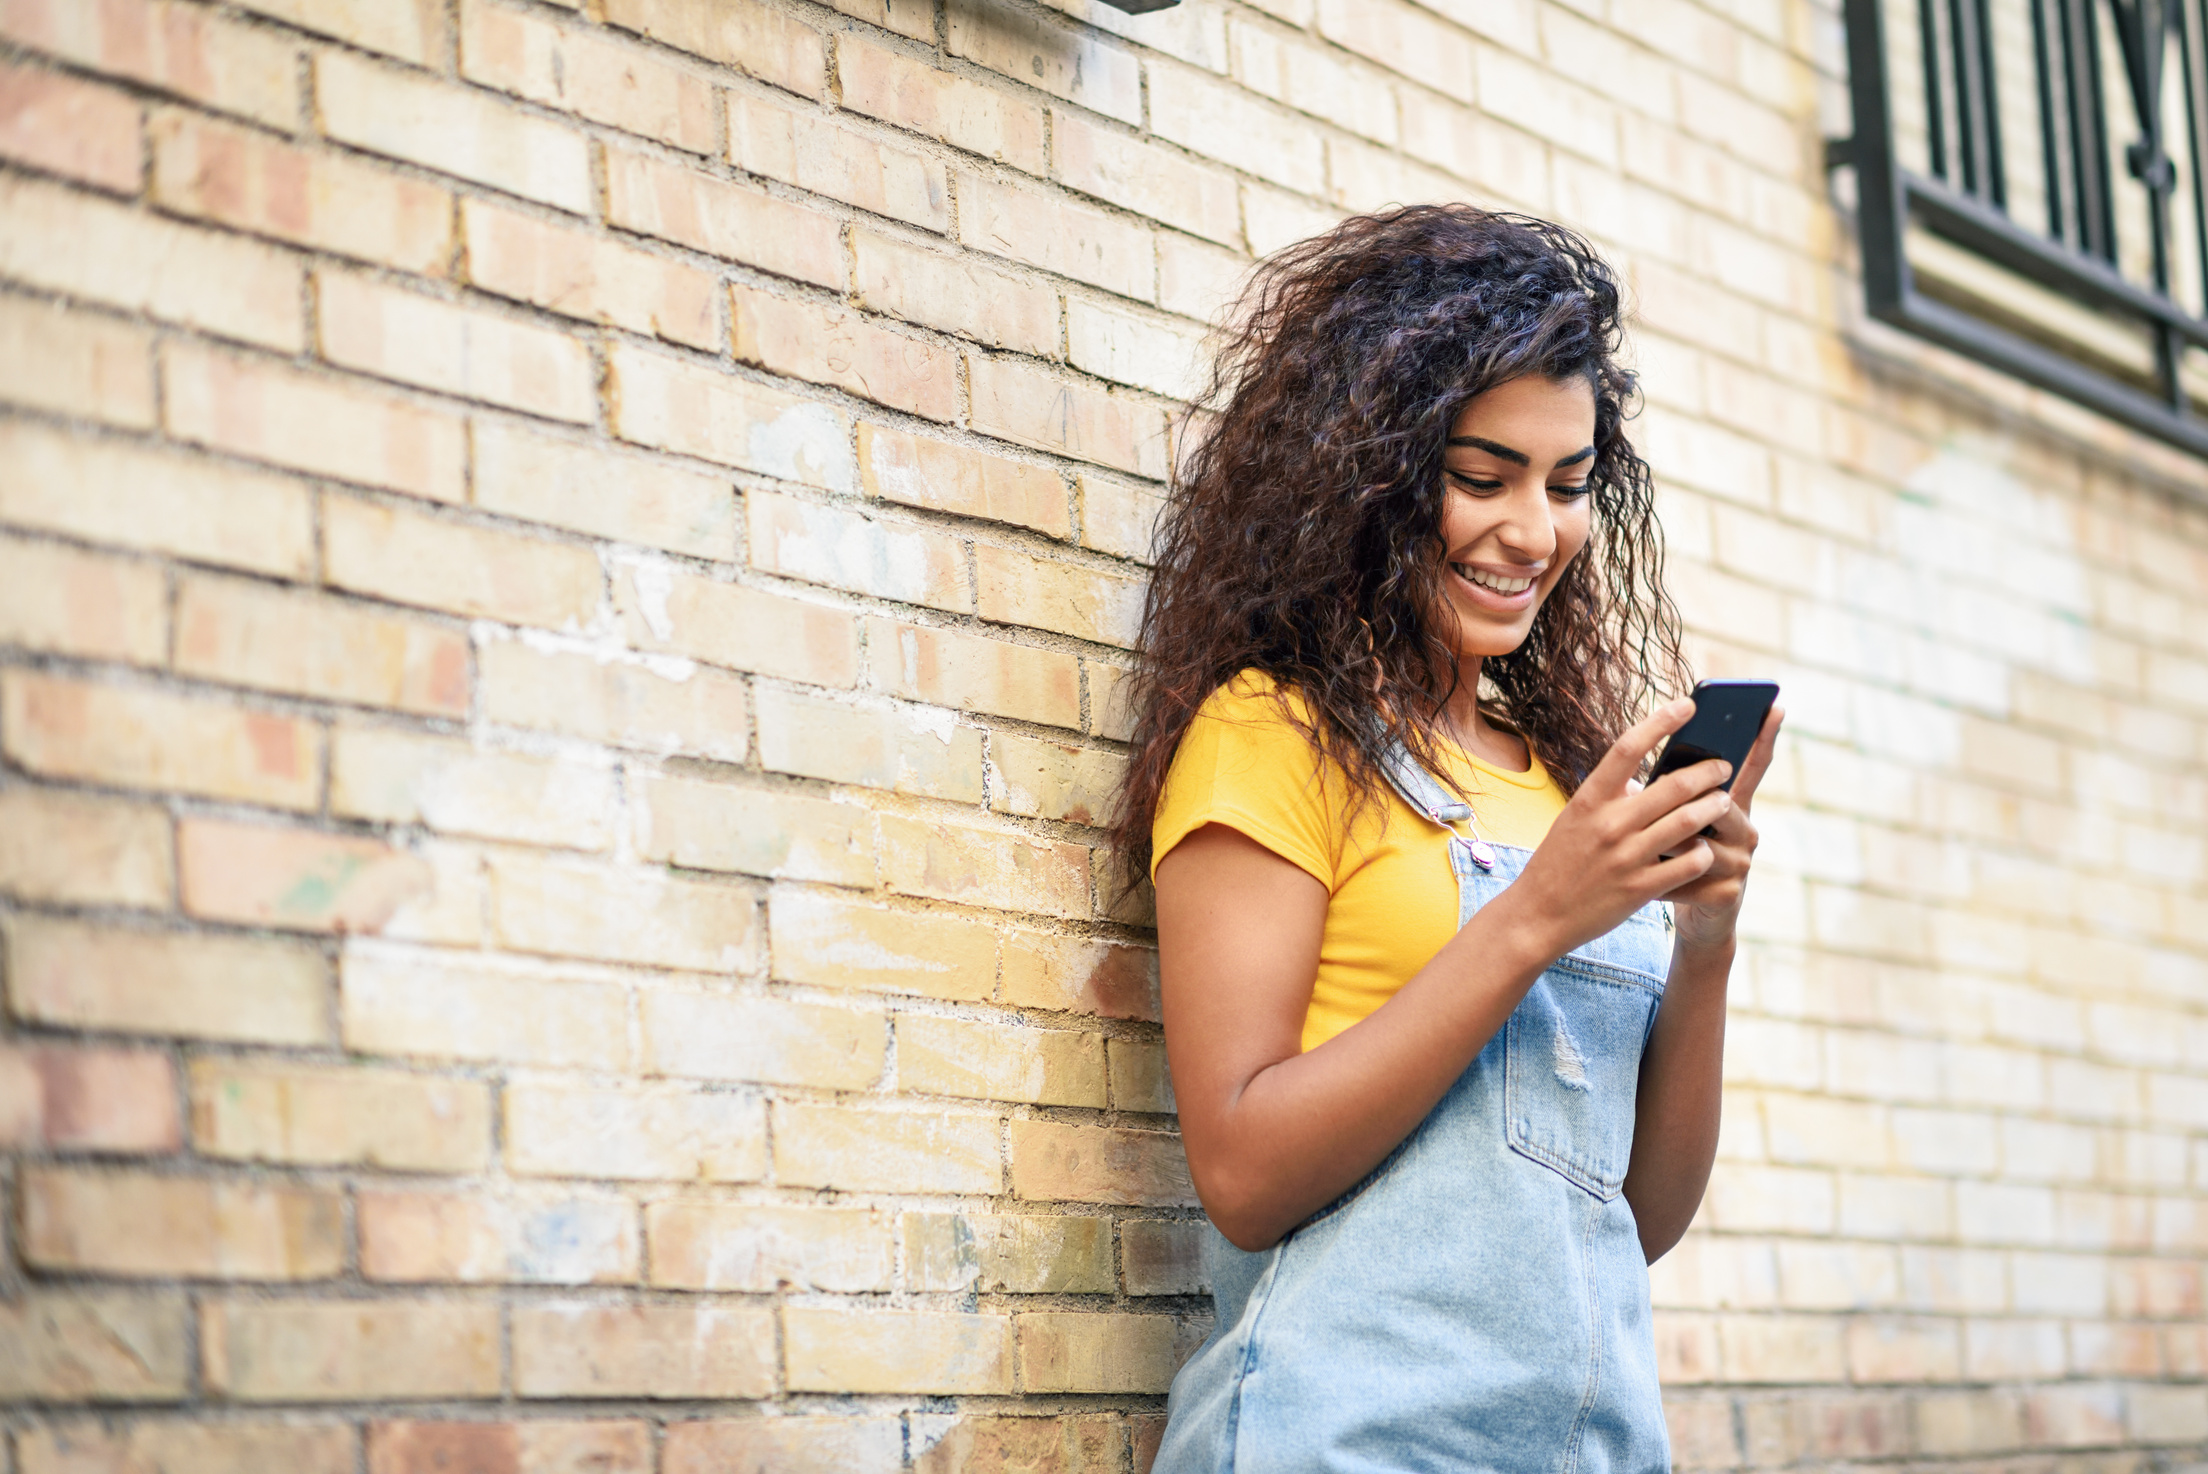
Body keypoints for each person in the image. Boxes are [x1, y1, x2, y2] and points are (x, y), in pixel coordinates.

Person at [1110, 205, 1784, 1473]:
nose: (1533, 532)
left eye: (1569, 485)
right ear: (1365, 467)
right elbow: (1244, 1172)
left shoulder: (1558, 783)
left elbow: (1634, 1219)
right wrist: (1535, 918)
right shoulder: (1275, 736)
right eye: (1483, 477)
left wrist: (1705, 941)